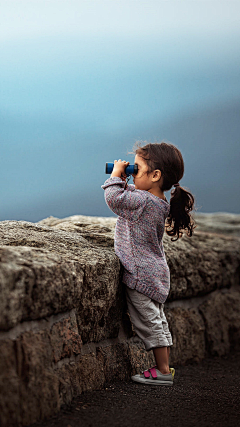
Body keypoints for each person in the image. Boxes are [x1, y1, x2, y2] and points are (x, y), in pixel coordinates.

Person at [101, 141, 196, 386]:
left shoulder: (143, 203)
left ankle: (163, 371)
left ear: (155, 176)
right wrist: (127, 178)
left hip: (140, 274)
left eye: (137, 168)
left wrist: (115, 175)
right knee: (158, 320)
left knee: (149, 322)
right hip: (153, 271)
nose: (131, 172)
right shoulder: (158, 202)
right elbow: (131, 195)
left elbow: (114, 199)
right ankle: (165, 368)